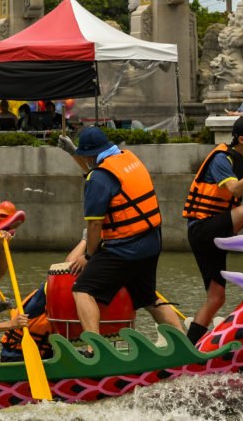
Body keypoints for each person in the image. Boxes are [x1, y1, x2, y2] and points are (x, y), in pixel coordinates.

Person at [69, 127, 181, 337]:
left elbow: (94, 225)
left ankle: (95, 347)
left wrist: (89, 257)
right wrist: (74, 154)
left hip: (125, 248)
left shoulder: (98, 178)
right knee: (147, 297)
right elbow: (101, 174)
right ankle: (182, 340)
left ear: (90, 155)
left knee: (83, 289)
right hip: (152, 241)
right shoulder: (128, 158)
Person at [182, 115, 243, 345]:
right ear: (242, 139)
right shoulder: (222, 158)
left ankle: (189, 349)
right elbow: (234, 190)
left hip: (219, 229)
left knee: (216, 299)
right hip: (203, 228)